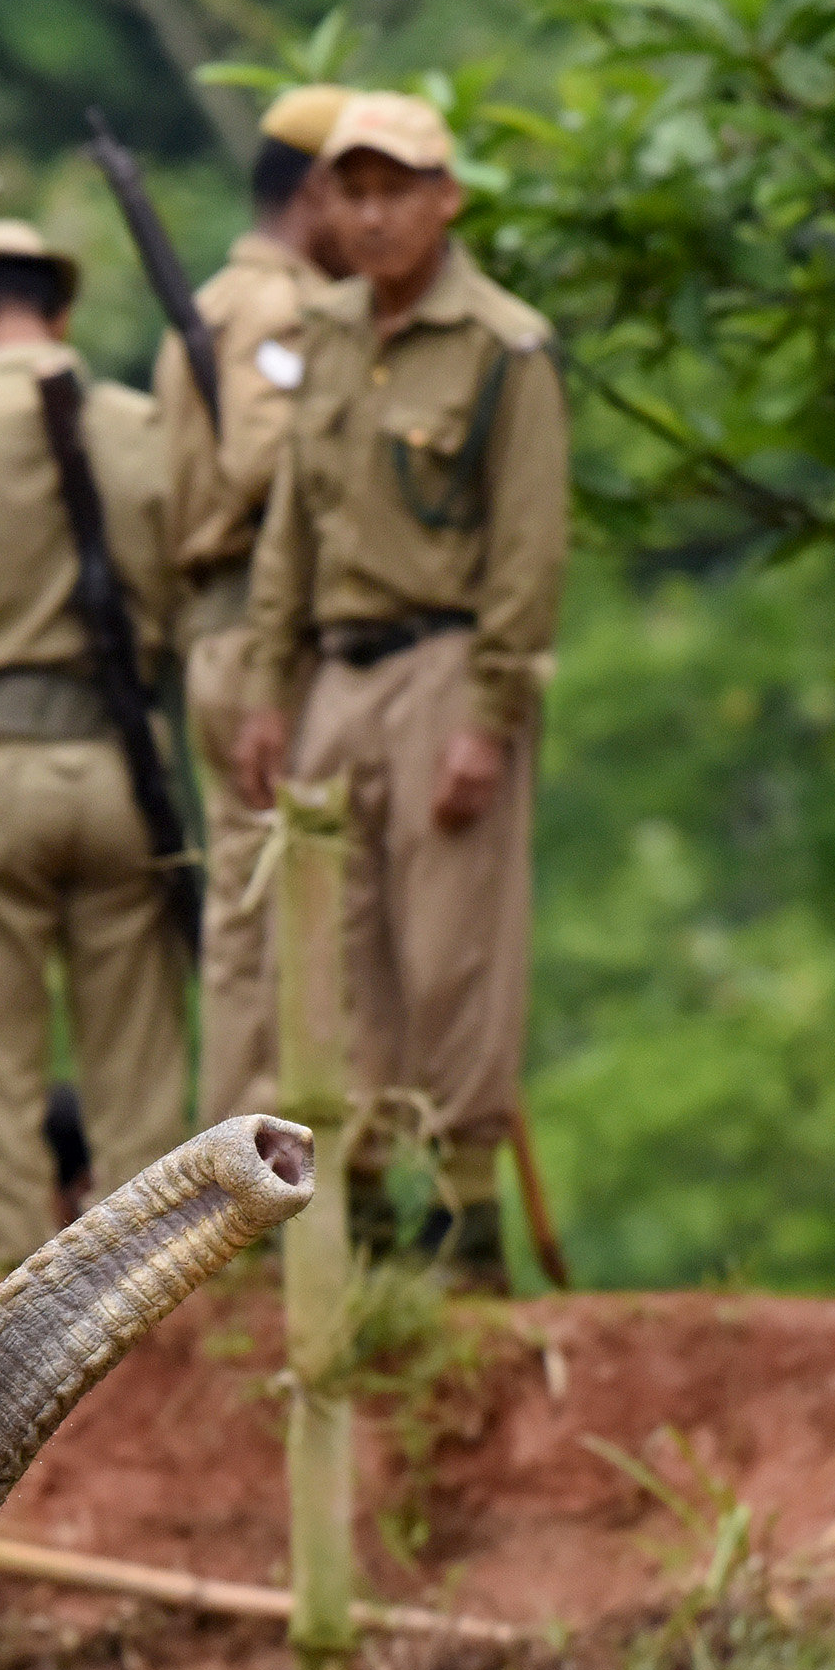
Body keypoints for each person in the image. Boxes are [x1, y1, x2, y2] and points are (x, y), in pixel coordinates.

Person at [226, 91, 571, 1288]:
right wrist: (267, 687)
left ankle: (466, 1217)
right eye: (350, 192)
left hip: (444, 661)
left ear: (445, 200)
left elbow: (528, 550)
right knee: (330, 942)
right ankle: (350, 1206)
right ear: (322, 204)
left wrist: (490, 713)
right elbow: (288, 531)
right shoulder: (323, 332)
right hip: (334, 666)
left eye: (393, 191)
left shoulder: (501, 347)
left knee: (451, 949)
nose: (371, 217)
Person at [0, 221, 186, 1264]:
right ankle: (157, 1275)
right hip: (124, 769)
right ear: (62, 313)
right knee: (137, 1049)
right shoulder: (143, 427)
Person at [161, 83, 346, 1126]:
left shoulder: (213, 304)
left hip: (213, 627)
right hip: (262, 631)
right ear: (315, 191)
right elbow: (261, 458)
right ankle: (263, 1174)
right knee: (282, 914)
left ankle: (234, 1163)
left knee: (246, 908)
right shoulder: (282, 309)